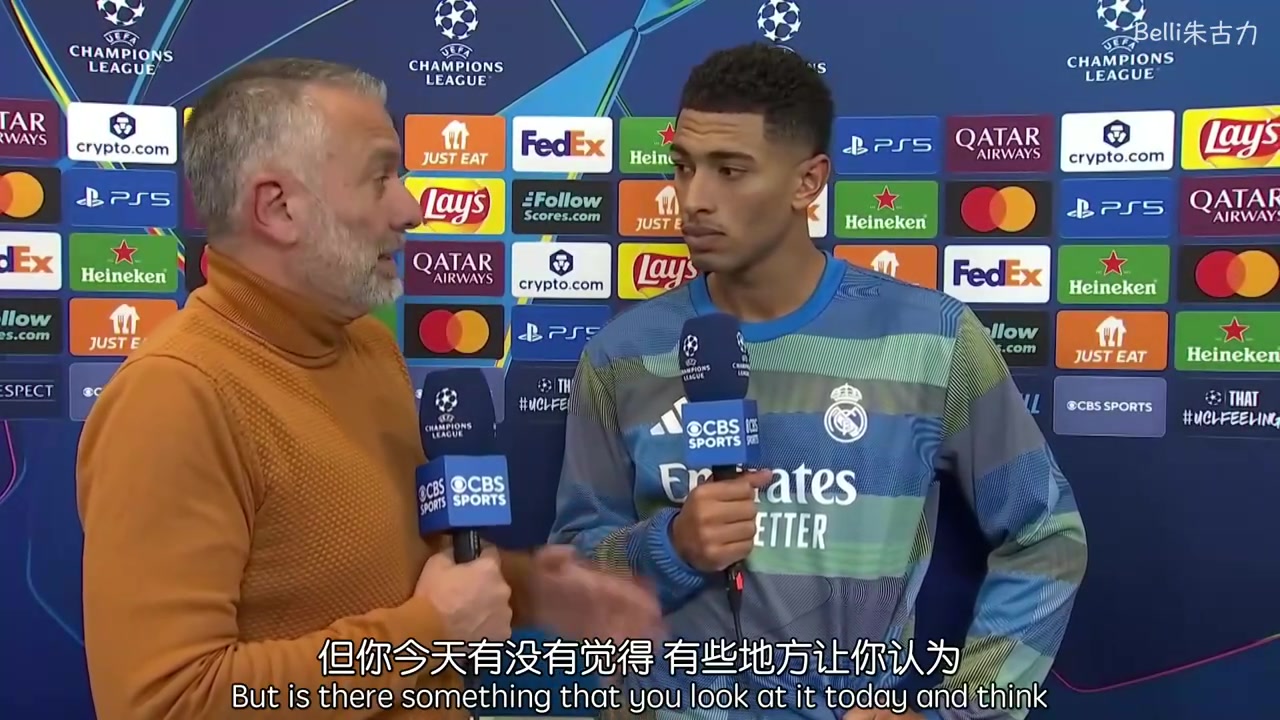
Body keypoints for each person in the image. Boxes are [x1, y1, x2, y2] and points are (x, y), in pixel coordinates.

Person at [76, 58, 660, 720]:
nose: (411, 208)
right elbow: (167, 703)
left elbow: (395, 575)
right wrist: (428, 632)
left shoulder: (369, 350)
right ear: (279, 207)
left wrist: (526, 589)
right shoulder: (174, 397)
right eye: (381, 177)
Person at [549, 43, 1088, 720]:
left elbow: (1048, 536)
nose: (694, 200)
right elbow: (569, 580)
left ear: (807, 182)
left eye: (730, 170)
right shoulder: (621, 355)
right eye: (683, 167)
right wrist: (673, 547)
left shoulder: (932, 339)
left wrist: (957, 713)